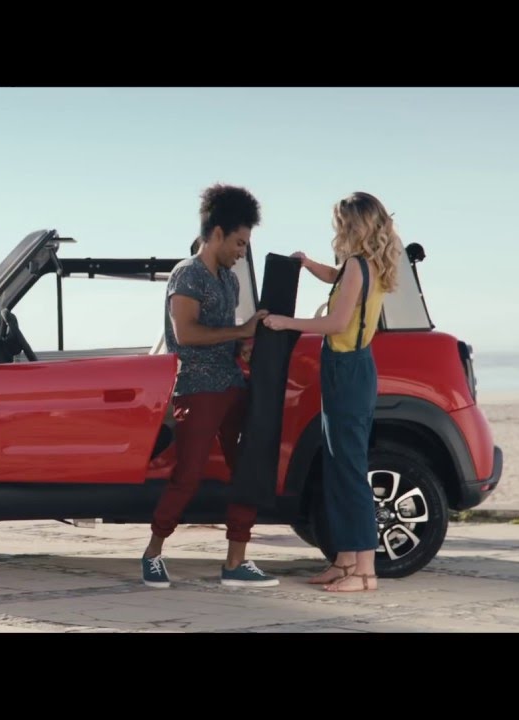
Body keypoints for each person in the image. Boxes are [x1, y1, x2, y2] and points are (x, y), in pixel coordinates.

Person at [262, 191, 403, 592]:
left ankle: (365, 572)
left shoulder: (358, 265)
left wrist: (285, 322)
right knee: (338, 468)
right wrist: (308, 265)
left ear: (353, 223)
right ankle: (345, 562)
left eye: (340, 221)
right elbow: (336, 279)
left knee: (350, 471)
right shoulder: (363, 264)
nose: (336, 228)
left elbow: (337, 323)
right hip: (350, 367)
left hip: (347, 368)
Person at [142, 183, 277, 589]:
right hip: (197, 388)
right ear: (217, 234)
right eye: (239, 243)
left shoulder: (230, 281)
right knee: (188, 476)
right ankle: (152, 554)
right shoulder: (187, 274)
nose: (242, 252)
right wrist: (240, 330)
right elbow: (186, 334)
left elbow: (225, 333)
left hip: (233, 385)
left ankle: (236, 562)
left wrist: (244, 345)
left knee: (247, 471)